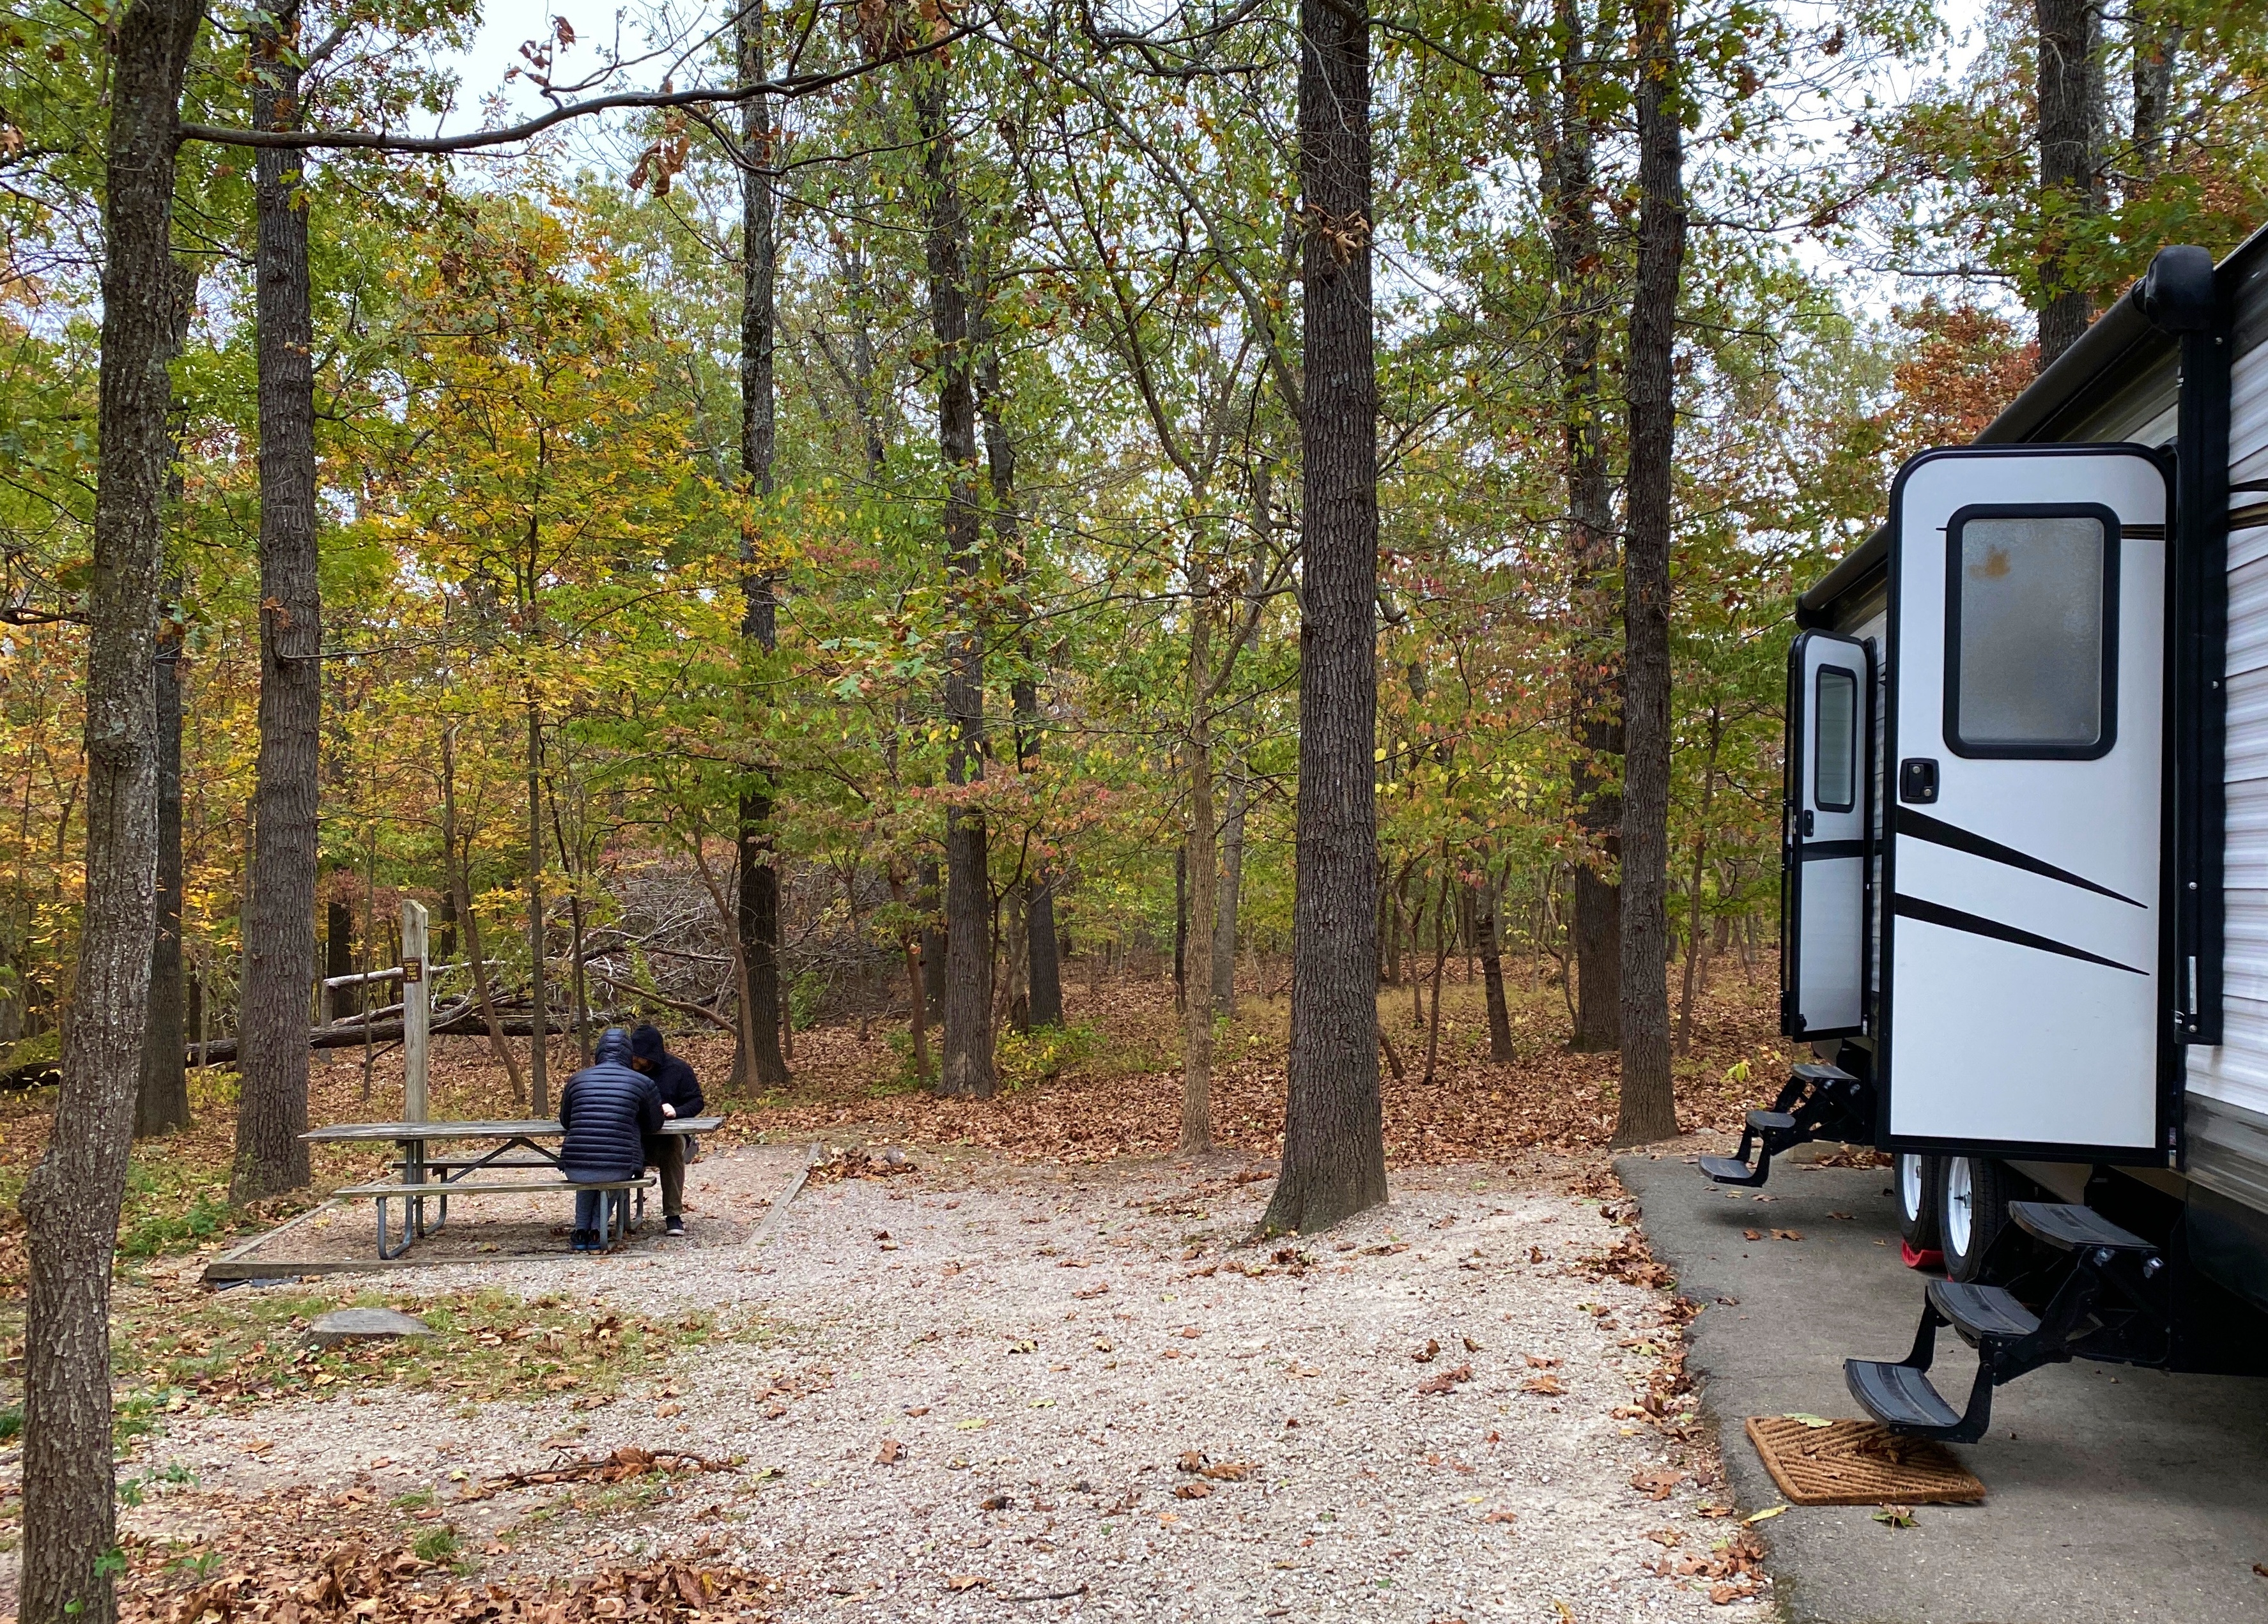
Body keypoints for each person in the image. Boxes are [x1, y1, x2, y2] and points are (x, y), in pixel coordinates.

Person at [559, 1027, 661, 1252]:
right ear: (628, 1053)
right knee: (612, 1169)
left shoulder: (576, 1080)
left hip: (575, 1166)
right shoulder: (642, 1083)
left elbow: (565, 1121)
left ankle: (581, 1230)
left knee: (588, 1172)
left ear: (599, 1051)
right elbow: (655, 1125)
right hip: (618, 1166)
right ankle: (598, 1229)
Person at [629, 1023, 705, 1236]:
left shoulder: (679, 1070)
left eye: (640, 1057)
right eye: (633, 1056)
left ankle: (673, 1214)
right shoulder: (625, 1070)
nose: (635, 1061)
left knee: (672, 1148)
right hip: (633, 1137)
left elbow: (697, 1101)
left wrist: (677, 1111)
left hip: (665, 1139)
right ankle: (604, 1217)